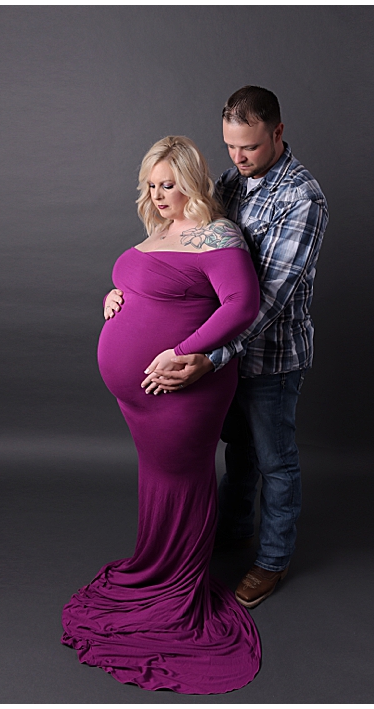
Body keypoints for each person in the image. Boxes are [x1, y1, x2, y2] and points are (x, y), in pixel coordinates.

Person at [64, 136, 261, 693]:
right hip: (138, 394)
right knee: (158, 474)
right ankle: (156, 563)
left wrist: (184, 352)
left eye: (168, 184)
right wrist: (115, 291)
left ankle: (176, 583)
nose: (158, 194)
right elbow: (155, 284)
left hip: (184, 387)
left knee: (181, 475)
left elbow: (241, 305)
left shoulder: (217, 234)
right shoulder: (160, 233)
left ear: (193, 182)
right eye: (151, 185)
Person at [124, 86, 327, 609]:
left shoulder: (301, 198)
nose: (238, 158)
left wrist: (208, 357)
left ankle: (272, 561)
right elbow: (191, 242)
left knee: (274, 459)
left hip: (270, 354)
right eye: (230, 147)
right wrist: (131, 287)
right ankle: (235, 532)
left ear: (278, 133)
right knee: (237, 451)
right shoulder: (233, 182)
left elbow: (266, 301)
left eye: (250, 147)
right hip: (220, 359)